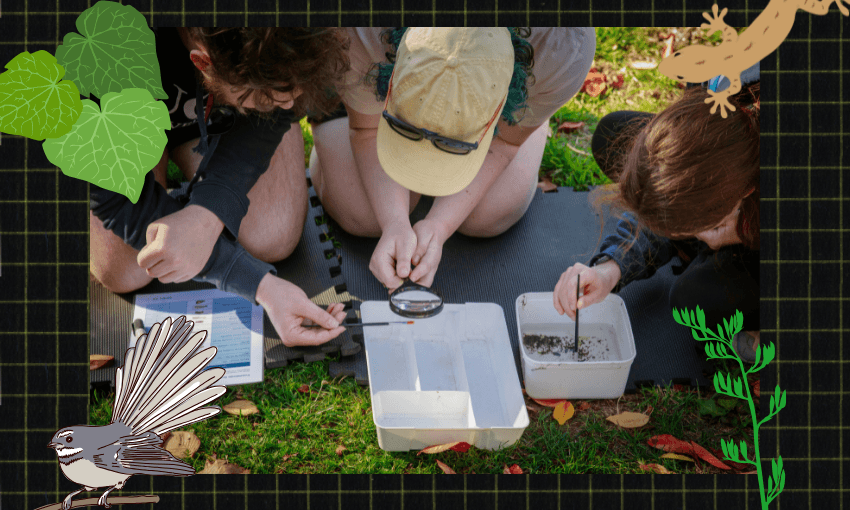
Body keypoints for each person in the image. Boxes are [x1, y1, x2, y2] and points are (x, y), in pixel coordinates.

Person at [90, 27, 351, 347]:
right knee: (127, 269)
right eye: (266, 97)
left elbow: (282, 99)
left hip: (223, 112)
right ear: (202, 63)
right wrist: (260, 285)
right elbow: (113, 199)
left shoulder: (289, 48)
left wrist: (208, 213)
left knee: (274, 234)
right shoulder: (92, 44)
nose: (286, 104)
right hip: (119, 128)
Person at [309, 27, 596, 290]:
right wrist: (392, 220)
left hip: (522, 96)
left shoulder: (563, 43)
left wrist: (440, 225)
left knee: (490, 214)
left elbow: (506, 143)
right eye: (406, 127)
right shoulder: (360, 28)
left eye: (452, 144)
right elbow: (367, 129)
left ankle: (526, 113)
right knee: (361, 214)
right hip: (368, 86)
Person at [554, 68, 760, 361]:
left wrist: (745, 233)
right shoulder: (716, 90)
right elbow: (667, 196)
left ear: (746, 189)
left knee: (694, 303)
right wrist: (610, 269)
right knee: (613, 134)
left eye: (693, 226)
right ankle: (698, 249)